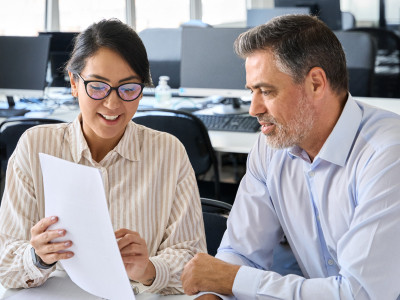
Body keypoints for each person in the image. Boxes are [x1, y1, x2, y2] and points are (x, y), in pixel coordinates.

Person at [181, 14, 400, 300]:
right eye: (252, 92)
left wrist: (233, 280)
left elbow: (359, 294)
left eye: (267, 91)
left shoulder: (387, 154)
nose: (253, 109)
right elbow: (241, 252)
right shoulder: (270, 147)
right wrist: (214, 294)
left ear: (316, 84)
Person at [0, 18, 206, 294]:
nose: (112, 103)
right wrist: (37, 257)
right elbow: (6, 264)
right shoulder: (35, 146)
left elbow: (192, 259)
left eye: (129, 88)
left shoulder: (168, 152)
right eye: (97, 86)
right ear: (74, 83)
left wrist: (149, 269)